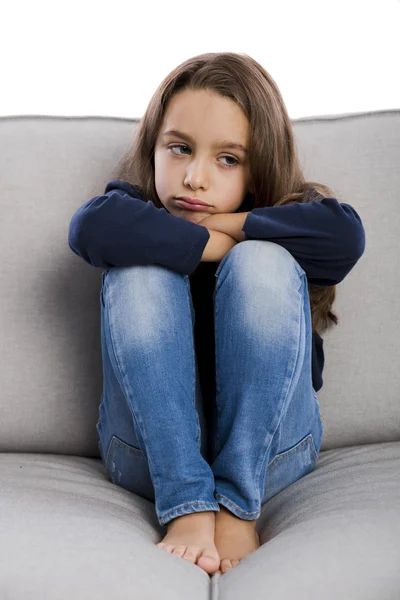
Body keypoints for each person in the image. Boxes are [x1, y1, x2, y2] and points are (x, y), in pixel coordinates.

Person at [68, 52, 366, 576]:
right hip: (145, 457)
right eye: (179, 149)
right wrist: (209, 244)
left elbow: (344, 239)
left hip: (273, 453)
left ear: (260, 165)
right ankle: (187, 502)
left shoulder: (299, 215)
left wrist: (235, 230)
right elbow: (90, 228)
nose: (195, 179)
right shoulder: (128, 210)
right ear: (153, 148)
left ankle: (236, 502)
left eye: (228, 159)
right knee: (140, 271)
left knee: (262, 263)